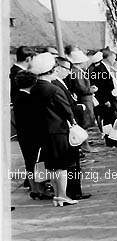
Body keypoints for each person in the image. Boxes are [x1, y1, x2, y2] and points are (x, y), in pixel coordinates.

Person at [29, 52, 78, 207]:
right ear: (50, 71)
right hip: (59, 132)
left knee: (51, 166)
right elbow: (67, 111)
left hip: (44, 133)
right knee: (62, 166)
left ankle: (57, 195)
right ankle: (62, 195)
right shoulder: (54, 90)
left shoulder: (34, 89)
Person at [53, 56, 91, 201]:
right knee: (71, 162)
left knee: (74, 162)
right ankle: (73, 191)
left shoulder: (60, 83)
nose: (69, 73)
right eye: (67, 69)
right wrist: (79, 108)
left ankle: (75, 190)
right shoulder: (56, 84)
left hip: (67, 126)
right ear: (58, 68)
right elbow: (66, 107)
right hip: (66, 128)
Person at [13, 70, 52, 199]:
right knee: (38, 162)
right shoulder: (28, 98)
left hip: (24, 135)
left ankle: (35, 188)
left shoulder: (18, 96)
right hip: (33, 134)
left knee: (30, 162)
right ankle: (40, 189)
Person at [89, 47, 117, 138]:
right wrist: (105, 100)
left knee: (112, 118)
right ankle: (110, 138)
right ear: (108, 57)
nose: (114, 60)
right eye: (113, 58)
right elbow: (100, 87)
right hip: (106, 99)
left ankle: (114, 137)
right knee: (107, 119)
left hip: (111, 97)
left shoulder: (107, 67)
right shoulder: (99, 69)